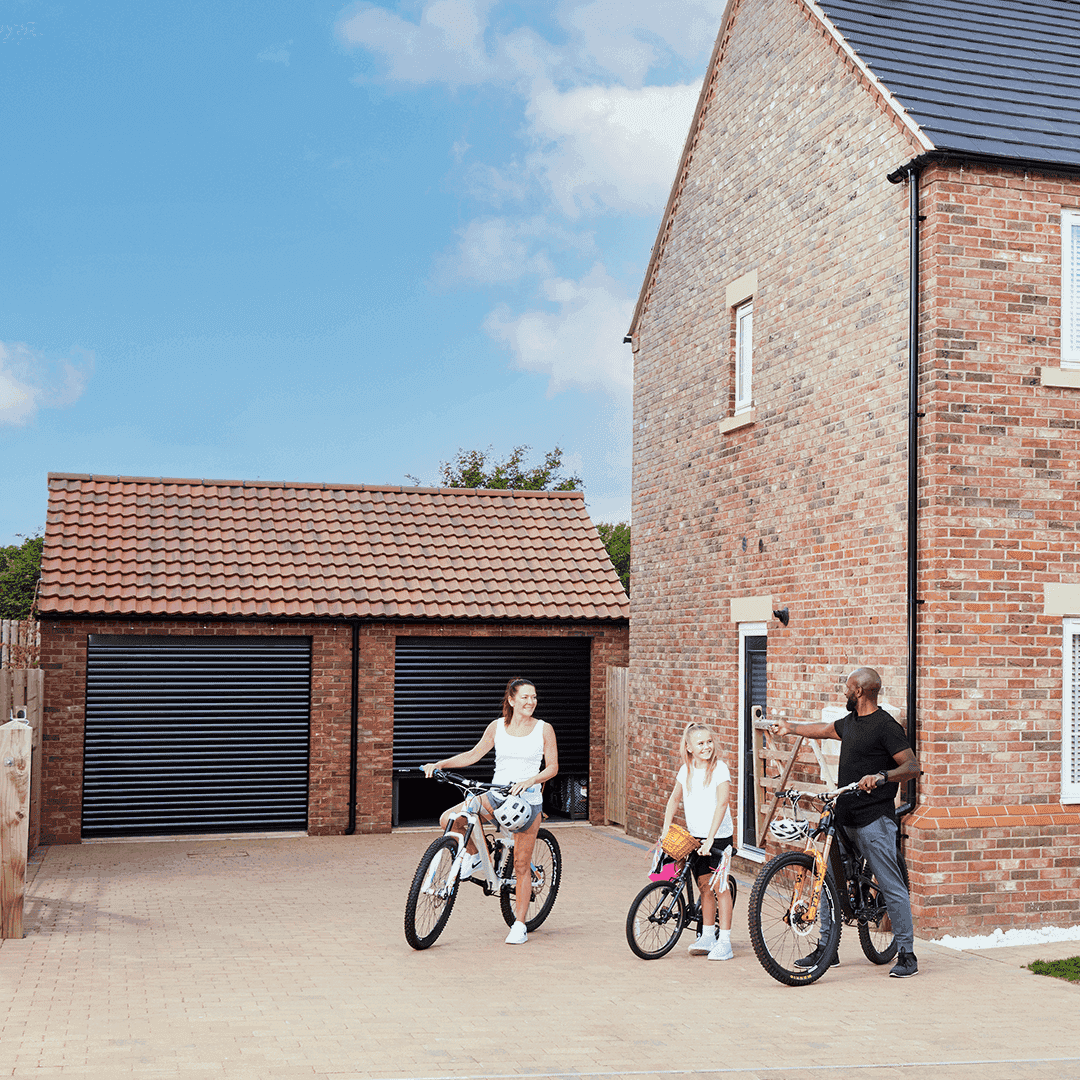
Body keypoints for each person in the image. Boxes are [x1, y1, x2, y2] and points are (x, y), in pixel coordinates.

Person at [771, 666, 921, 978]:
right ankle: (828, 947)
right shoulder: (850, 722)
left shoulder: (885, 726)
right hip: (845, 815)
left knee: (892, 886)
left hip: (874, 819)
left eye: (848, 687)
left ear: (862, 691)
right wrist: (790, 727)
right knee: (827, 881)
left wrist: (882, 777)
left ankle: (906, 953)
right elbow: (824, 730)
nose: (844, 692)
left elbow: (912, 766)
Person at [422, 677, 558, 945]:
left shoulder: (544, 729)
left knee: (520, 865)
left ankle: (519, 924)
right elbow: (474, 754)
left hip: (527, 801)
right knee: (450, 819)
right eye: (525, 697)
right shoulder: (497, 727)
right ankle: (475, 855)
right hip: (496, 794)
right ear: (511, 700)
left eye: (534, 697)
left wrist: (531, 780)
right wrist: (440, 764)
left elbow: (552, 767)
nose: (531, 702)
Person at [659, 722, 735, 961]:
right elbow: (673, 800)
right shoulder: (686, 770)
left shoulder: (720, 769)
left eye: (709, 742)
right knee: (704, 887)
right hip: (696, 837)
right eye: (700, 743)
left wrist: (711, 838)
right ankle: (708, 936)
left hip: (718, 837)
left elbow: (722, 803)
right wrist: (665, 829)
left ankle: (725, 942)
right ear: (689, 748)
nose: (706, 747)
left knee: (719, 887)